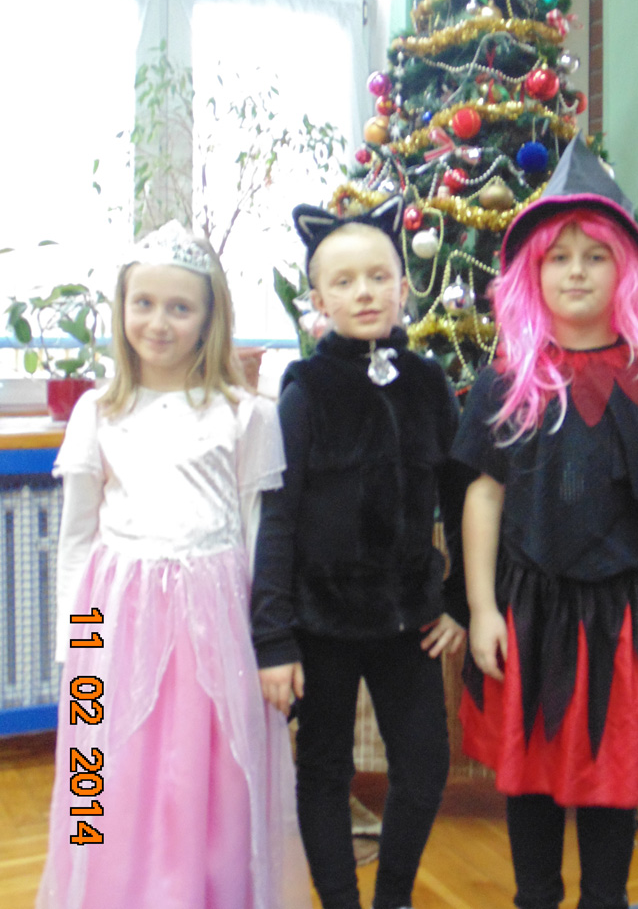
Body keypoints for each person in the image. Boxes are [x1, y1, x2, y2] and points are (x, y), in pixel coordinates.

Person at [452, 134, 638, 909]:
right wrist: (479, 609)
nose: (574, 271)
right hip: (526, 610)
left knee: (610, 778)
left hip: (618, 615)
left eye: (593, 256)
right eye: (558, 257)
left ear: (623, 269)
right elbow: (483, 496)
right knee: (530, 777)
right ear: (532, 272)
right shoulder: (507, 381)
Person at [36, 222, 310, 909]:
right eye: (144, 303)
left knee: (203, 770)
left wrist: (264, 640)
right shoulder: (97, 411)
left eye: (180, 307)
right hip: (111, 620)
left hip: (212, 623)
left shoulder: (245, 415)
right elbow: (77, 537)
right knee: (103, 766)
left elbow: (256, 532)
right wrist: (76, 645)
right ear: (122, 309)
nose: (158, 322)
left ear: (209, 319)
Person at [251, 195, 469, 909]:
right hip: (321, 621)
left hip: (409, 617)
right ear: (319, 301)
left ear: (404, 286)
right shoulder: (305, 391)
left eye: (378, 277)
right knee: (323, 769)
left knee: (425, 765)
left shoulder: (430, 384)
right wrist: (273, 637)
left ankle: (393, 897)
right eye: (343, 282)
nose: (365, 292)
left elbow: (461, 499)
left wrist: (460, 602)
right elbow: (277, 518)